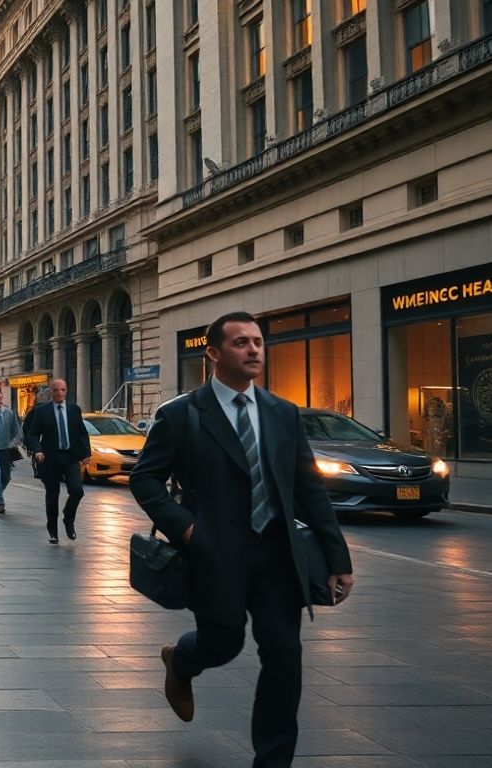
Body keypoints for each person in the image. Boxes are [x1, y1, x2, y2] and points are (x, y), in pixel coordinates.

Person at [130, 311, 355, 768]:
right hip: (214, 556)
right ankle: (181, 660)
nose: (254, 350)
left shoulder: (282, 413)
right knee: (224, 643)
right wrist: (187, 529)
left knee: (285, 654)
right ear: (213, 353)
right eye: (240, 343)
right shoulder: (181, 415)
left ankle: (273, 760)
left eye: (257, 341)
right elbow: (146, 480)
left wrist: (338, 557)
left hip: (276, 554)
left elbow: (308, 489)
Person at [23, 379, 91, 543]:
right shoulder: (42, 411)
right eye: (56, 390)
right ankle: (53, 531)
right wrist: (37, 450)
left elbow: (82, 433)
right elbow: (32, 434)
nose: (59, 393)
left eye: (63, 390)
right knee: (52, 495)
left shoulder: (74, 410)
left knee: (77, 491)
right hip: (50, 459)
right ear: (50, 393)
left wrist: (85, 453)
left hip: (70, 458)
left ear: (66, 391)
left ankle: (68, 518)